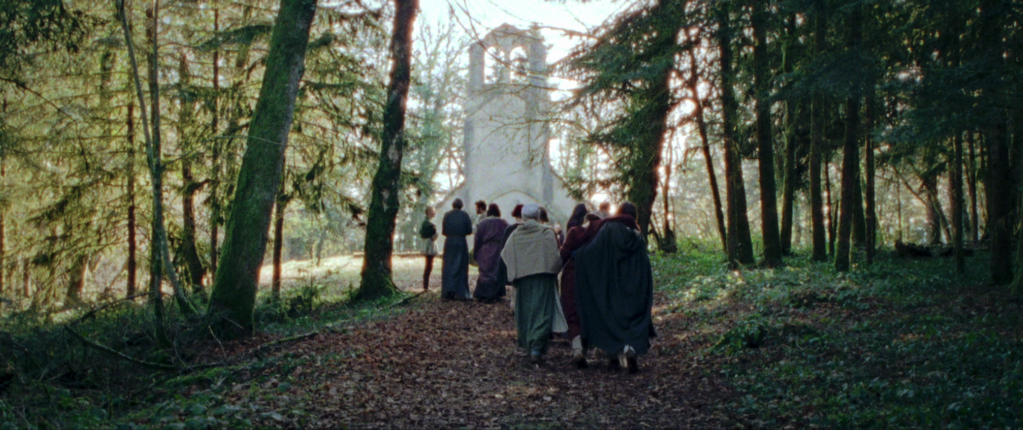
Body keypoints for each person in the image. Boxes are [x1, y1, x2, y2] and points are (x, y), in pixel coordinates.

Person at [573, 202, 655, 373]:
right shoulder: (638, 236)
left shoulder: (609, 229)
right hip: (633, 289)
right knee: (631, 321)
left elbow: (593, 252)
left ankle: (617, 352)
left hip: (612, 286)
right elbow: (645, 266)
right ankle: (630, 350)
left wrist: (577, 255)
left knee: (612, 318)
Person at [501, 204, 567, 365]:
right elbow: (554, 257)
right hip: (542, 279)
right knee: (542, 313)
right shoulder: (546, 233)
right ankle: (536, 348)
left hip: (524, 280)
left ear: (524, 217)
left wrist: (517, 271)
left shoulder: (516, 235)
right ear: (538, 216)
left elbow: (506, 254)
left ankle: (531, 346)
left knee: (526, 314)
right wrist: (553, 269)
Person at [558, 204, 599, 367]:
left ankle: (578, 350)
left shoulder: (574, 232)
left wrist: (553, 270)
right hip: (594, 276)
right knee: (590, 310)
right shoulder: (600, 233)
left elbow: (563, 254)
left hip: (573, 275)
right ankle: (594, 346)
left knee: (573, 310)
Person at [473, 204, 509, 303]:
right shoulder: (504, 223)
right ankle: (496, 293)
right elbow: (508, 236)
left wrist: (476, 251)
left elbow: (478, 238)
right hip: (499, 248)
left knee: (485, 271)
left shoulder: (482, 223)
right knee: (496, 271)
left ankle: (483, 293)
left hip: (485, 248)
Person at [441, 198, 473, 300]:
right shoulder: (465, 215)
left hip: (449, 242)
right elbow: (469, 230)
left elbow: (444, 231)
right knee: (461, 266)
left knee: (449, 266)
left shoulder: (447, 215)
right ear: (461, 206)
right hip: (461, 242)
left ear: (453, 205)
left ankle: (448, 291)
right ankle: (461, 292)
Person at [500, 204, 525, 310]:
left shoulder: (509, 229)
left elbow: (504, 247)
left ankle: (514, 305)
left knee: (515, 284)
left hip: (514, 259)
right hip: (525, 259)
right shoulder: (527, 229)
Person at [419, 206, 439, 292]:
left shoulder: (427, 223)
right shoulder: (428, 224)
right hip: (429, 246)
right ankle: (425, 286)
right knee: (428, 266)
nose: (434, 213)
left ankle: (426, 286)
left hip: (429, 245)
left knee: (429, 266)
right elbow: (430, 234)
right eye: (432, 211)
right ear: (428, 212)